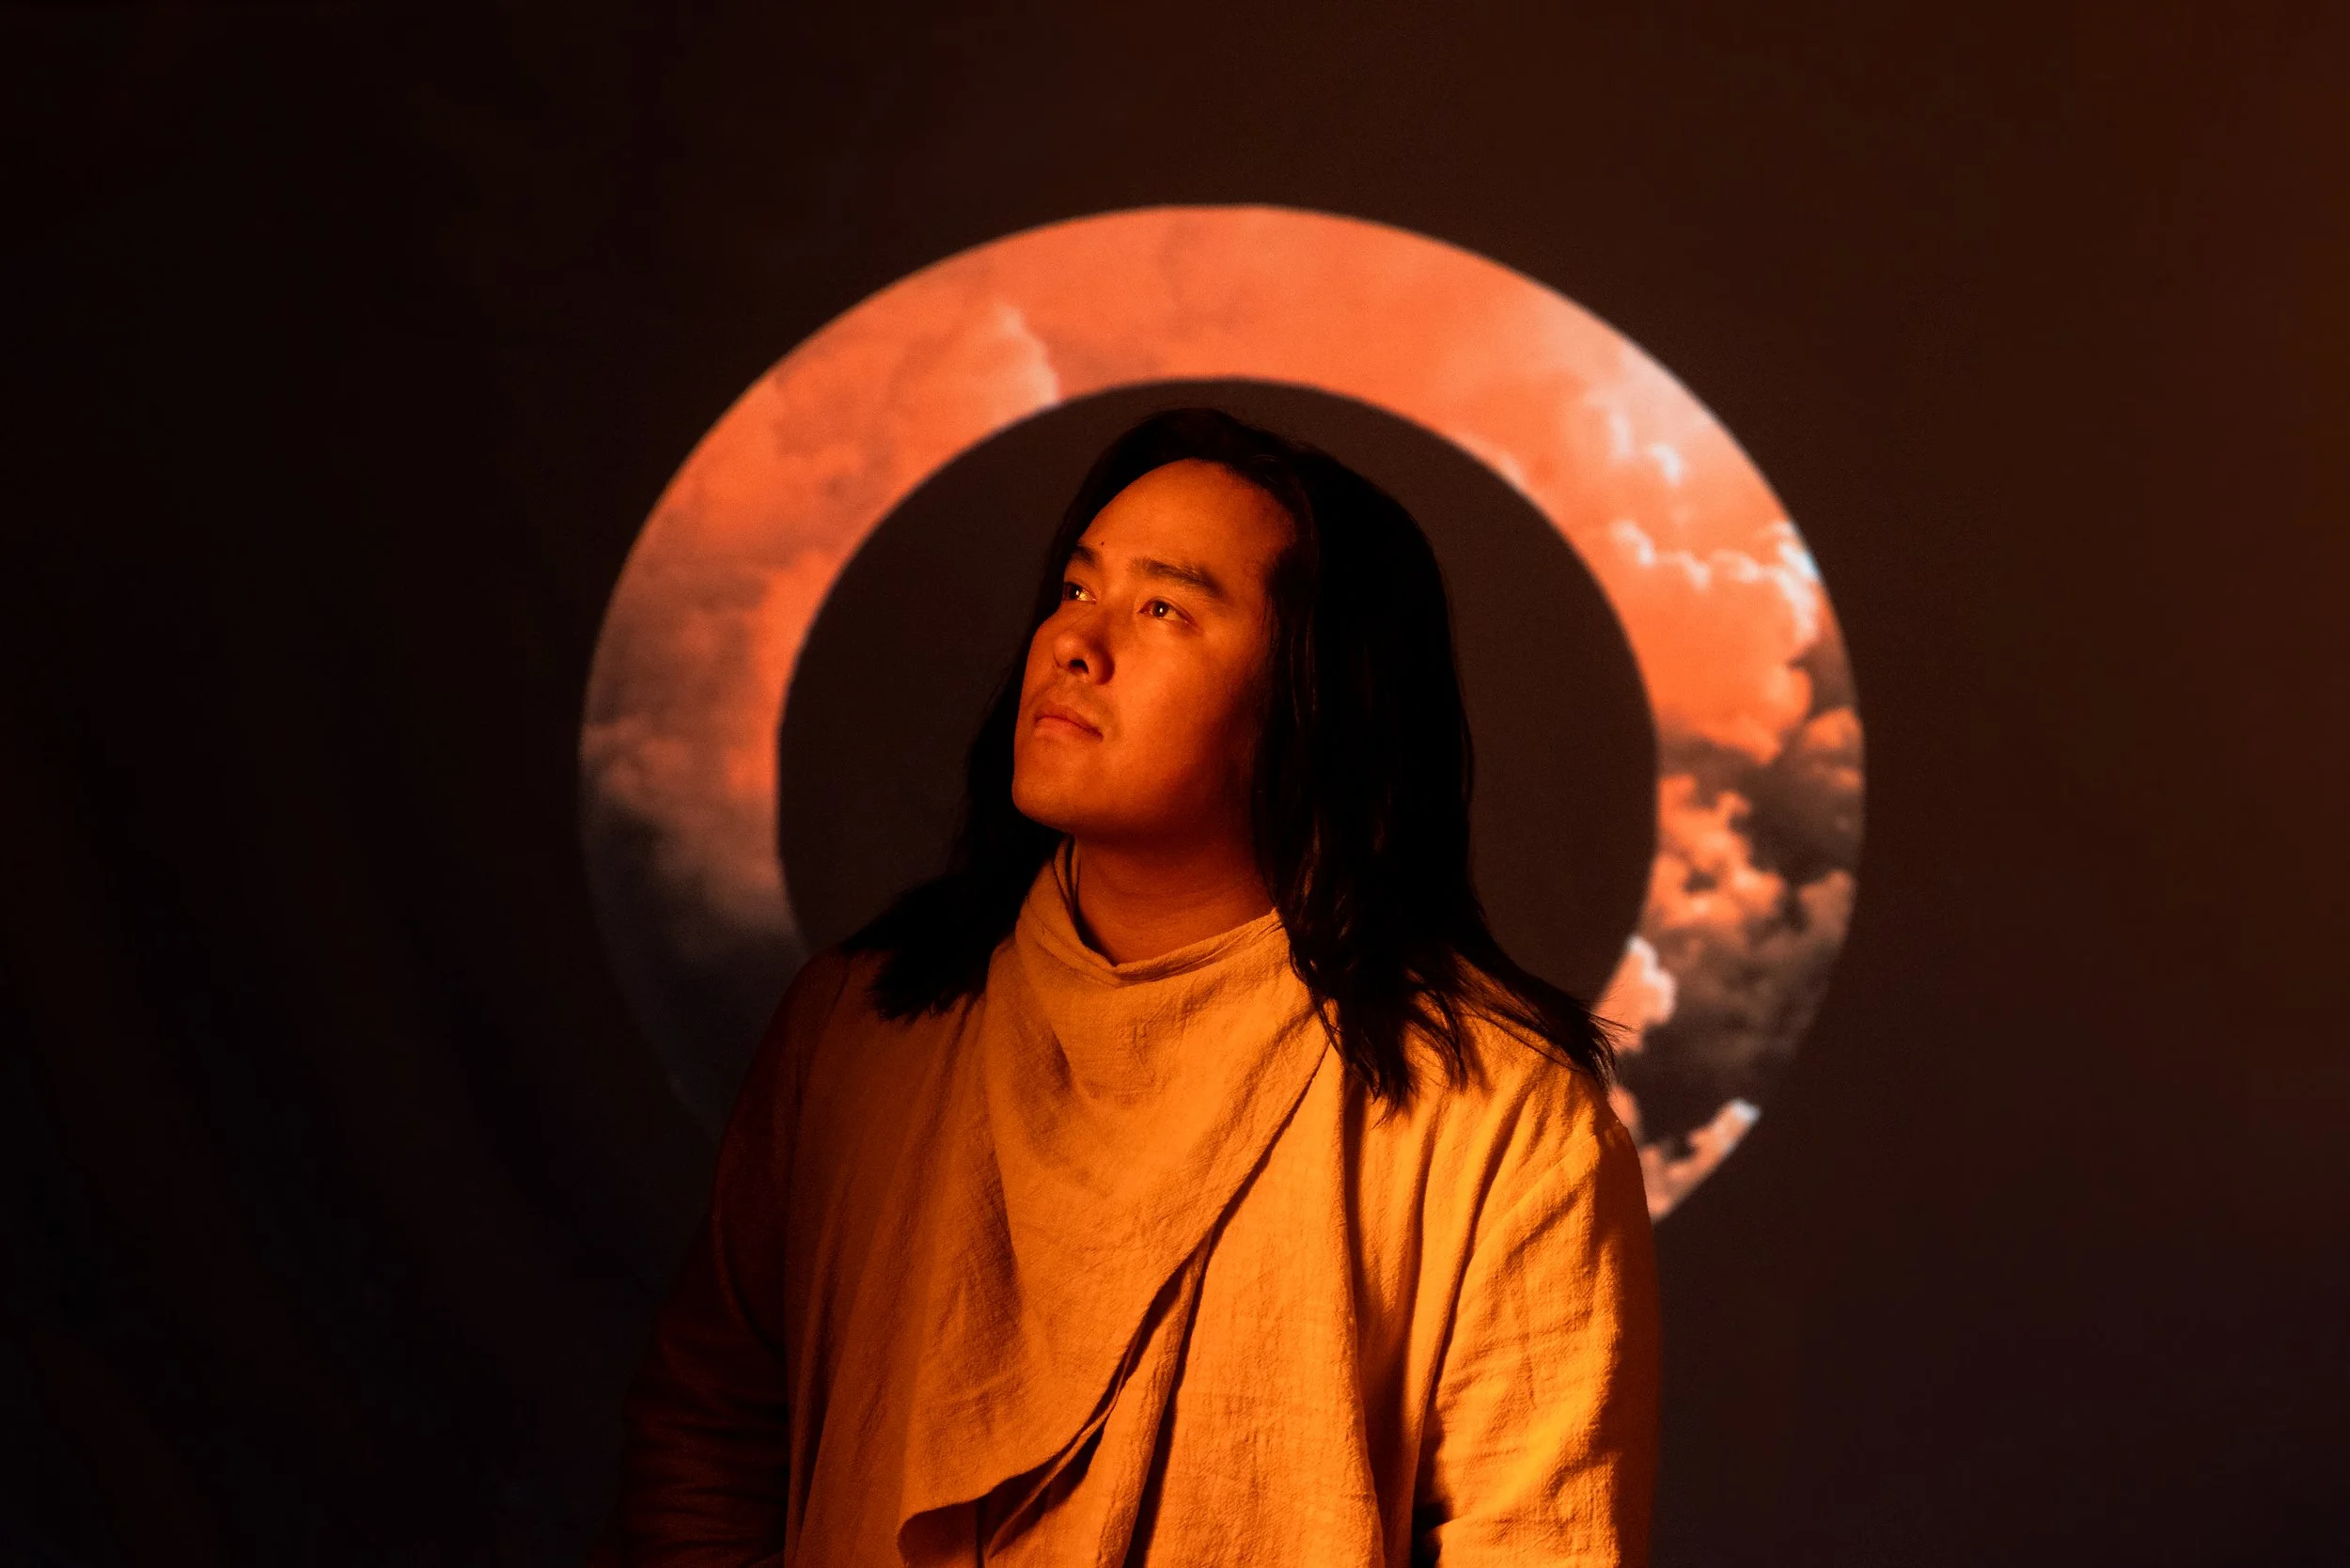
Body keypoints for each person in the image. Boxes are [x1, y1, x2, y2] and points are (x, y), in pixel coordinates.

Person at [599, 409, 1660, 1566]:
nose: (1074, 642)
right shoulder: (861, 1023)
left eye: (1163, 609)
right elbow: (703, 1445)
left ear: (1315, 698)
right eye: (1074, 588)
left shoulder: (1498, 1117)